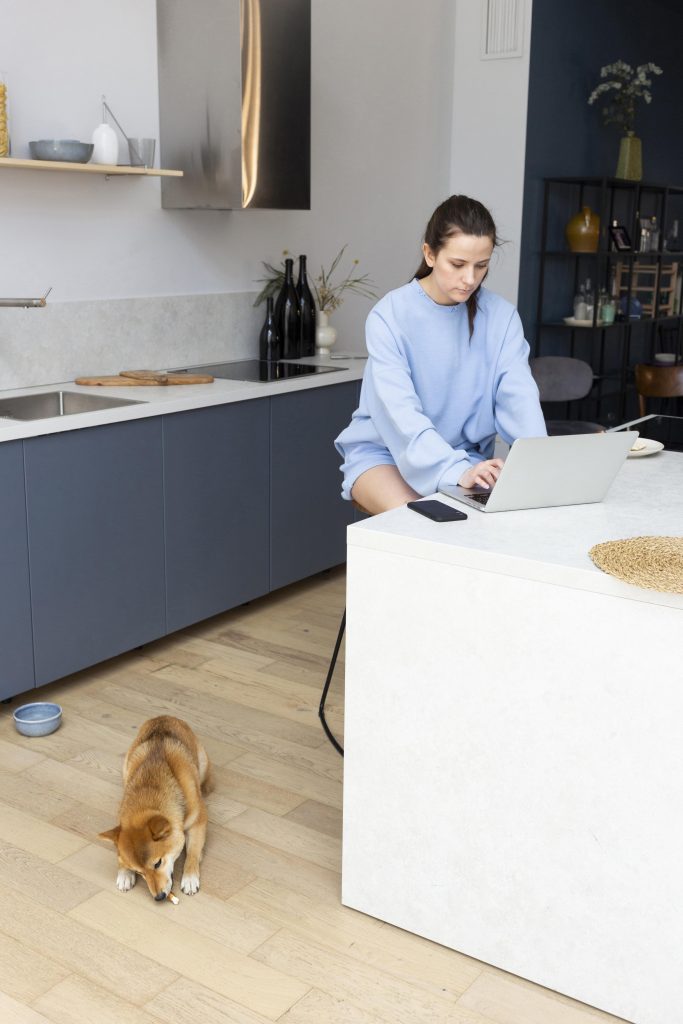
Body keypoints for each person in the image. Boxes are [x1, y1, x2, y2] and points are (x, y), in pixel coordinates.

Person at [335, 194, 547, 515]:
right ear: (430, 254)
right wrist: (454, 470)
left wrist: (541, 465)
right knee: (427, 524)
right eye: (458, 265)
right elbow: (400, 415)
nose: (470, 279)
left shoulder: (501, 318)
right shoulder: (390, 315)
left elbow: (519, 399)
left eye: (482, 266)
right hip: (386, 455)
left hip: (466, 460)